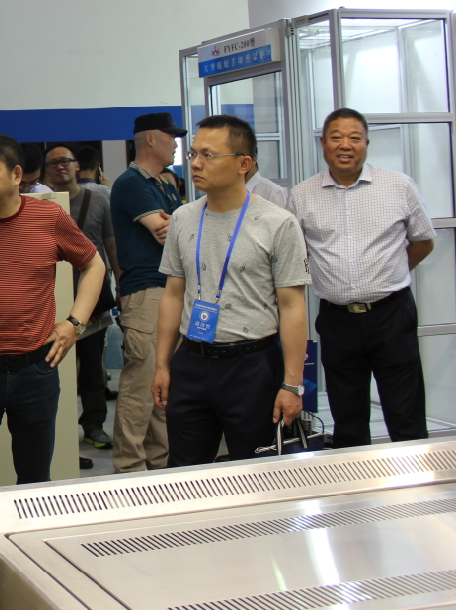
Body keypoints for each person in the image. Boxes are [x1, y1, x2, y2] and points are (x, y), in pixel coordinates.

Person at [151, 115, 309, 466]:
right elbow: (173, 294)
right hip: (191, 361)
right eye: (193, 154)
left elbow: (292, 306)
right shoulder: (183, 218)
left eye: (208, 155)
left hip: (251, 366)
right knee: (184, 471)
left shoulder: (278, 223)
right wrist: (162, 365)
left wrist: (291, 384)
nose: (195, 163)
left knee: (256, 473)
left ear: (243, 163)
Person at [0, 134, 104, 488]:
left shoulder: (48, 217)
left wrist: (74, 324)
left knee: (36, 481)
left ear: (16, 175)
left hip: (36, 369)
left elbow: (93, 264)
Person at [288, 107, 436, 448]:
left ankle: (416, 479)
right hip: (337, 319)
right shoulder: (302, 195)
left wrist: (391, 271)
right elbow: (297, 254)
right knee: (348, 418)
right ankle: (356, 480)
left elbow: (423, 241)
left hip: (391, 314)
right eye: (336, 137)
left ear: (367, 143)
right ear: (323, 143)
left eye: (354, 138)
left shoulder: (399, 185)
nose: (346, 145)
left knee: (406, 414)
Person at [109, 111, 185, 473]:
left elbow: (181, 228)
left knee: (162, 386)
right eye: (171, 137)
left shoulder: (163, 185)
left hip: (169, 293)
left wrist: (180, 224)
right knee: (140, 388)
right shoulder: (131, 183)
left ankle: (159, 464)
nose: (176, 145)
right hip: (147, 294)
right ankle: (128, 469)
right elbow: (167, 233)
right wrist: (182, 224)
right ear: (151, 139)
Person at [44, 144, 121, 452]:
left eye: (66, 161)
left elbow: (111, 246)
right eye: (53, 163)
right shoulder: (41, 205)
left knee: (92, 369)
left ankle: (93, 425)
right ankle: (60, 436)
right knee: (55, 370)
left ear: (77, 165)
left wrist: (121, 283)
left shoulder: (98, 199)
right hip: (52, 305)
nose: (60, 166)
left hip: (91, 304)